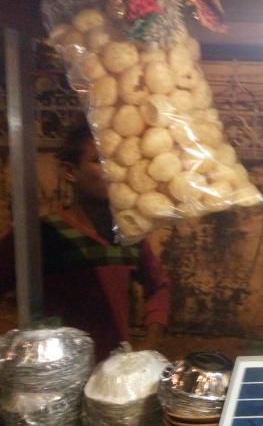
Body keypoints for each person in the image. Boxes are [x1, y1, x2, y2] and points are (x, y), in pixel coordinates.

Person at [0, 121, 170, 360]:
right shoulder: (42, 232)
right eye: (100, 160)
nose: (114, 171)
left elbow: (158, 286)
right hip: (54, 377)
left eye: (117, 161)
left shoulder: (129, 233)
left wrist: (149, 345)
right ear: (70, 171)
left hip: (111, 376)